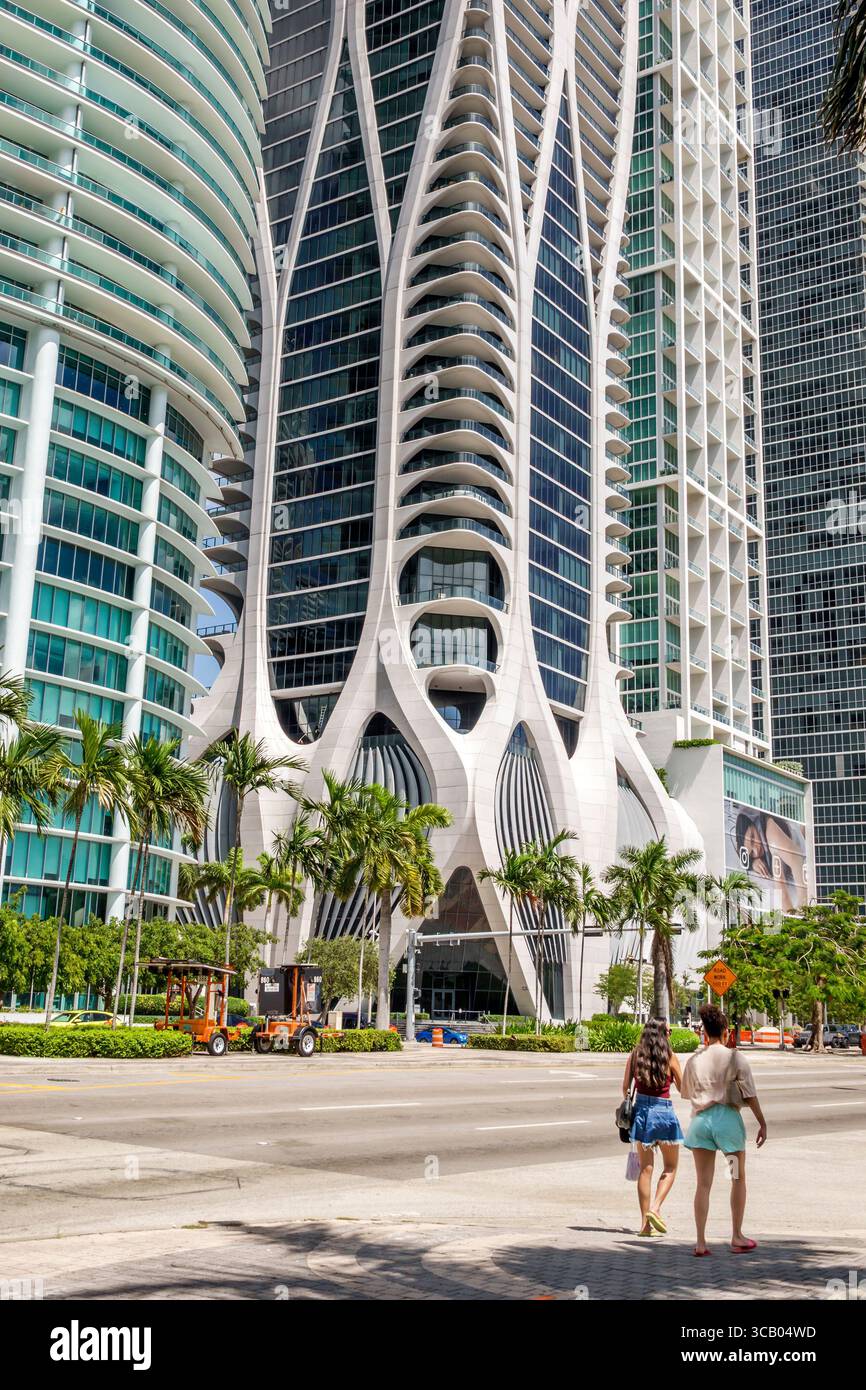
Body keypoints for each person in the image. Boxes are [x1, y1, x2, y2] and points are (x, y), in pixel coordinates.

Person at [681, 1003, 767, 1257]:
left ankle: (700, 1242)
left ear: (704, 1032)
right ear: (726, 1031)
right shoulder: (735, 1057)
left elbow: (686, 1092)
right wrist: (762, 1122)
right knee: (737, 1178)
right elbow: (750, 1095)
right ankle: (737, 1236)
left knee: (702, 1184)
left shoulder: (695, 1060)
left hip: (701, 1124)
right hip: (728, 1124)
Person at [621, 1018, 684, 1237]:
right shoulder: (670, 1056)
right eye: (669, 1032)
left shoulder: (635, 1055)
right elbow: (684, 1088)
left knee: (645, 1170)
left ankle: (645, 1226)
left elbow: (624, 1090)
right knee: (670, 1167)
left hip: (642, 1114)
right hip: (664, 1112)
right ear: (663, 1034)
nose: (670, 1035)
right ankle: (656, 1208)